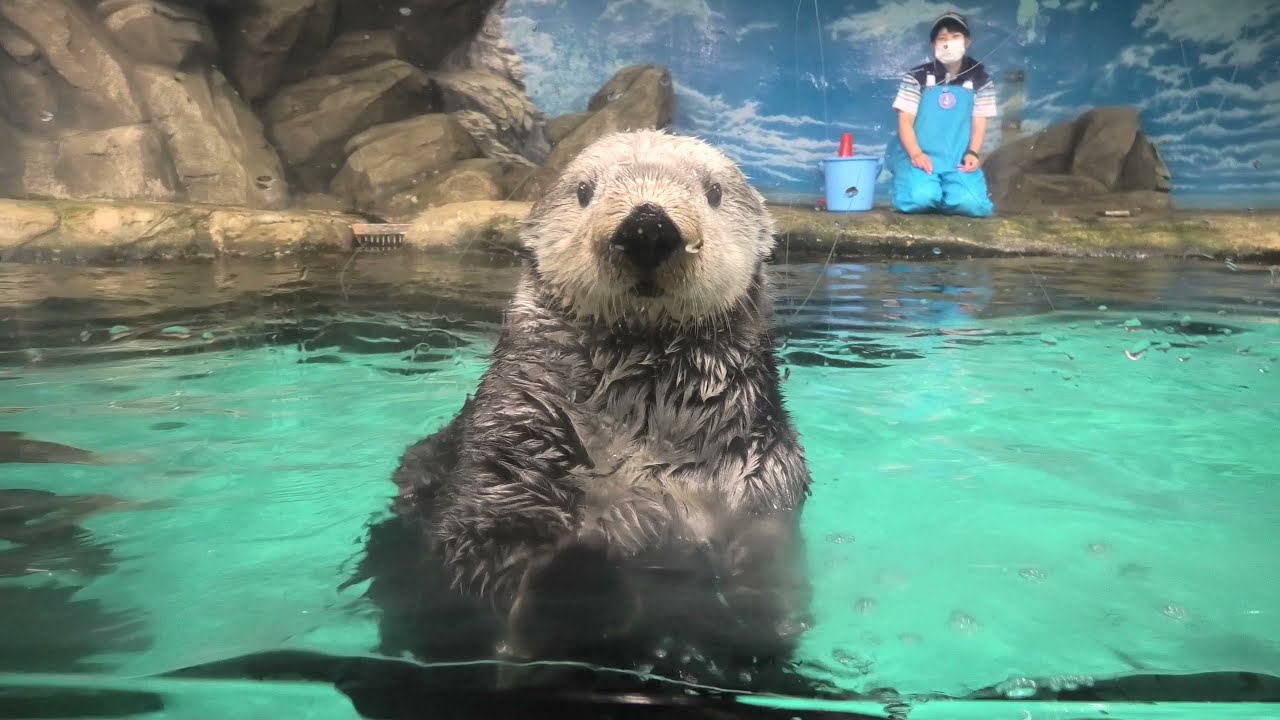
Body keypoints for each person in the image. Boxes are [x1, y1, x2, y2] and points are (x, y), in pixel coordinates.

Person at [886, 12, 996, 217]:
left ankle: (948, 193)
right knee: (919, 199)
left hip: (957, 159)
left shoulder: (981, 79)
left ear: (967, 41)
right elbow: (905, 121)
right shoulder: (916, 77)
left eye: (955, 36)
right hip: (919, 156)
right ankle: (927, 188)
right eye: (942, 38)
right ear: (933, 45)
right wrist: (916, 154)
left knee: (974, 206)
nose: (949, 43)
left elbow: (979, 121)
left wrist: (972, 152)